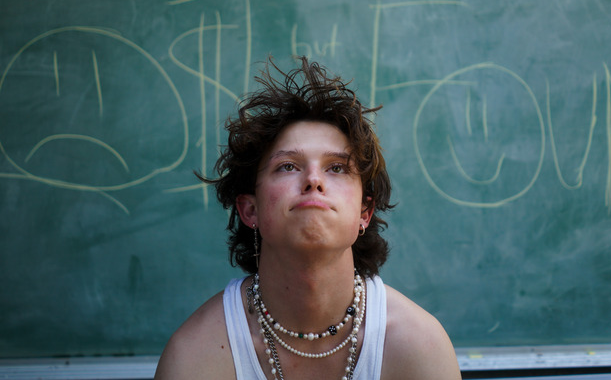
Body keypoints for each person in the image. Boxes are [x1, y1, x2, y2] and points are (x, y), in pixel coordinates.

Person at [154, 57, 461, 380]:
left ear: (364, 213)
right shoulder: (195, 357)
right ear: (250, 210)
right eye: (287, 166)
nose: (314, 179)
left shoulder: (419, 347)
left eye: (337, 168)